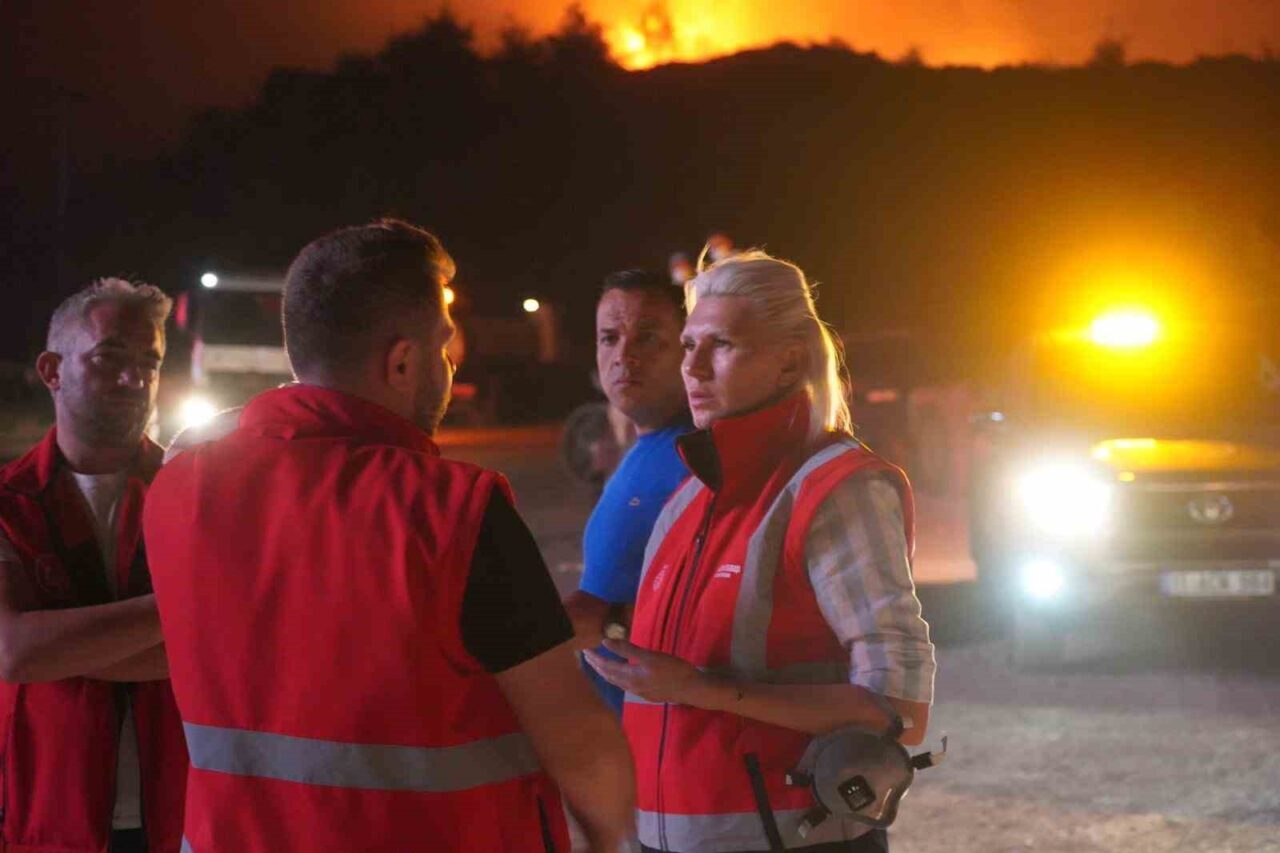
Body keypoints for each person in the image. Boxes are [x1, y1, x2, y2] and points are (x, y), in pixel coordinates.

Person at [144, 220, 635, 852]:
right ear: (402, 361)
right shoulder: (452, 509)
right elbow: (579, 742)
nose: (450, 364)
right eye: (443, 345)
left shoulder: (177, 491)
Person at [587, 251, 936, 853]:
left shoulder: (836, 487)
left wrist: (698, 689)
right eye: (688, 345)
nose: (692, 367)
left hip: (794, 839)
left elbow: (898, 709)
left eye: (720, 345)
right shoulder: (691, 495)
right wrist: (605, 621)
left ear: (789, 363)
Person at [0, 278, 187, 853]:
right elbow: (14, 652)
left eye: (150, 362)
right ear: (52, 370)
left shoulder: (195, 495)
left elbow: (233, 648)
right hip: (45, 820)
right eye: (110, 358)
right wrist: (191, 609)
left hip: (180, 818)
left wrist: (64, 647)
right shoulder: (9, 502)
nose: (136, 380)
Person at [563, 269, 692, 713]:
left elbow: (728, 607)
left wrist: (609, 623)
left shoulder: (698, 458)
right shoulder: (644, 449)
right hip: (620, 734)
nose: (623, 356)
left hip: (666, 733)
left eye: (648, 338)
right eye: (609, 338)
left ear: (688, 349)